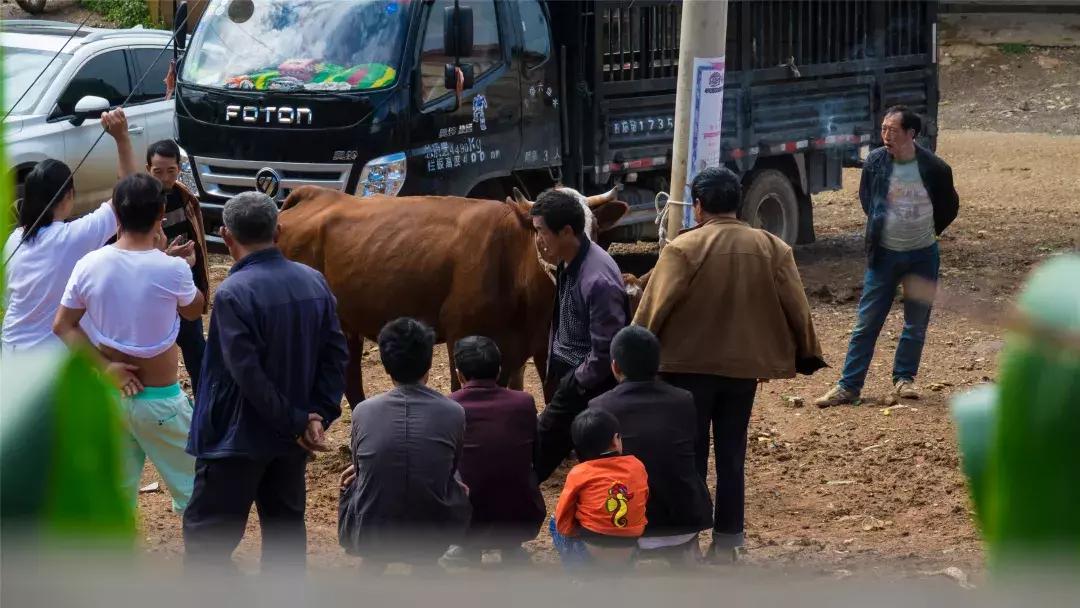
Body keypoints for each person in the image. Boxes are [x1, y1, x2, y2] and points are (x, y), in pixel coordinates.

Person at [633, 166, 824, 562]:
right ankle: (728, 543)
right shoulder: (773, 248)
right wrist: (807, 353)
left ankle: (687, 539)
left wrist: (630, 356)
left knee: (692, 454)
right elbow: (798, 307)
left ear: (698, 207)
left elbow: (652, 311)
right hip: (742, 371)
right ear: (738, 203)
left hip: (685, 369)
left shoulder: (683, 249)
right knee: (732, 454)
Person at [182, 191, 348, 573]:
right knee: (286, 535)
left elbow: (247, 373)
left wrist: (295, 420)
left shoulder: (233, 294)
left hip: (235, 441)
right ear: (278, 230)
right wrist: (316, 415)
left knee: (208, 543)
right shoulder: (314, 282)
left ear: (225, 236)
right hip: (292, 442)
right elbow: (336, 355)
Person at [53, 173, 206, 512]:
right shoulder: (172, 269)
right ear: (160, 214)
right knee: (197, 491)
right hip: (162, 403)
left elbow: (63, 326)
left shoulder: (89, 264)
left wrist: (107, 368)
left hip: (109, 395)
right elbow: (195, 310)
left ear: (117, 216)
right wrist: (182, 264)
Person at [816, 106, 959, 407]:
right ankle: (848, 386)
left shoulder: (935, 168)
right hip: (884, 255)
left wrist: (925, 233)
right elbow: (868, 200)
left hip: (922, 255)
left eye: (893, 130)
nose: (886, 136)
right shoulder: (876, 162)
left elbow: (948, 207)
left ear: (911, 134)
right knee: (867, 322)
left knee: (915, 322)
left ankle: (904, 379)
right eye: (883, 129)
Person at [338, 318, 471, 570]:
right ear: (429, 365)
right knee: (455, 479)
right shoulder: (454, 411)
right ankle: (427, 563)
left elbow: (360, 463)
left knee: (353, 480)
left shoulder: (363, 411)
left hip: (372, 532)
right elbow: (452, 466)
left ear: (386, 368)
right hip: (434, 533)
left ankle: (372, 562)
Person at [3, 109, 137, 357]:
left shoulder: (14, 239)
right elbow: (127, 194)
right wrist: (122, 138)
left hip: (10, 351)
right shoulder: (72, 237)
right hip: (49, 363)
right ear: (68, 196)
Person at [589, 326, 712, 565]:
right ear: (658, 365)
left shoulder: (599, 406)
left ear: (615, 367)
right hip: (685, 524)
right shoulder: (684, 400)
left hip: (626, 526)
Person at [530, 189, 629, 483]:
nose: (537, 240)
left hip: (587, 384)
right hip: (570, 375)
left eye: (541, 232)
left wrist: (575, 382)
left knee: (545, 452)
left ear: (566, 231)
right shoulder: (569, 259)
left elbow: (605, 350)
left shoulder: (597, 280)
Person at [440, 336, 545, 567]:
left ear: (459, 375)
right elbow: (536, 456)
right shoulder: (524, 402)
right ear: (499, 372)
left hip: (466, 518)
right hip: (522, 516)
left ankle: (465, 546)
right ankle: (511, 545)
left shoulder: (447, 407)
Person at [145, 139, 210, 395]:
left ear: (179, 168)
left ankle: (203, 410)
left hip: (183, 285)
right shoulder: (137, 202)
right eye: (158, 172)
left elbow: (200, 243)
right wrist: (165, 256)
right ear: (147, 168)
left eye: (171, 171)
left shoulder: (185, 197)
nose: (165, 178)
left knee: (198, 354)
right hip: (153, 295)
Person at [551, 408, 648, 570]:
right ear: (616, 440)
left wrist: (577, 531)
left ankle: (578, 574)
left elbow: (563, 523)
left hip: (590, 552)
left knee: (554, 522)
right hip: (629, 550)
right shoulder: (637, 466)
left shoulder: (579, 472)